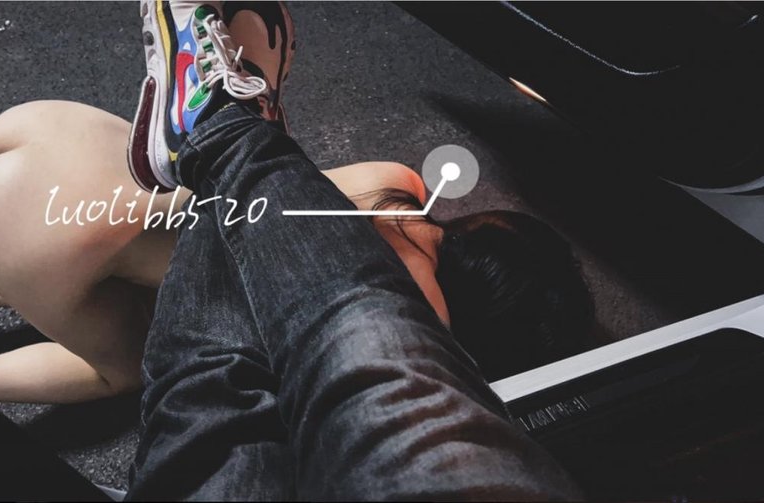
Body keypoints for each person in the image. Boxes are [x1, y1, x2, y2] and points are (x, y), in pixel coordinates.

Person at [0, 3, 591, 406]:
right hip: (28, 231)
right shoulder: (407, 315)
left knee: (187, 239)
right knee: (126, 367)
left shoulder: (399, 183)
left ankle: (222, 115)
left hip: (50, 132)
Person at [123, 0, 582, 499]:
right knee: (210, 406)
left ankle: (221, 126)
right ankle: (227, 135)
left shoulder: (402, 196)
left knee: (376, 357)